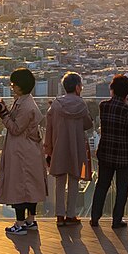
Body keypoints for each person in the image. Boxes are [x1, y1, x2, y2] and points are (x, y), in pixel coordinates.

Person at [0, 67, 46, 236]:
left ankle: (20, 223)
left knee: (19, 186)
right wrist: (4, 110)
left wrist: (2, 113)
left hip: (21, 151)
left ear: (20, 85)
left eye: (14, 83)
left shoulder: (25, 106)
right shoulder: (25, 101)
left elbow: (16, 128)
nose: (12, 86)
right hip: (28, 149)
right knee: (30, 185)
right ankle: (30, 220)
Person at [42, 72, 95, 227]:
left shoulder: (55, 106)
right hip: (76, 147)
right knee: (74, 180)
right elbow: (88, 124)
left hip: (58, 147)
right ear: (78, 87)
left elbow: (49, 129)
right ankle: (70, 215)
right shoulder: (81, 105)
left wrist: (48, 149)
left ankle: (59, 215)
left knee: (59, 182)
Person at [89, 73, 128, 230]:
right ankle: (116, 220)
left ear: (111, 89)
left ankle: (94, 217)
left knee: (102, 185)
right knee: (122, 188)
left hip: (106, 152)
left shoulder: (103, 106)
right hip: (124, 156)